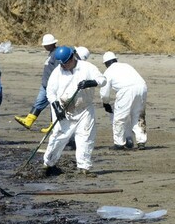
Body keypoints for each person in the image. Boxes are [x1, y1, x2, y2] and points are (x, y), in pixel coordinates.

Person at [43, 46, 106, 177]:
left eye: (66, 63)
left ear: (72, 57)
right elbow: (50, 92)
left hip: (84, 110)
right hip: (63, 109)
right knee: (59, 137)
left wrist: (90, 83)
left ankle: (84, 168)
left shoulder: (87, 67)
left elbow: (102, 80)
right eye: (62, 64)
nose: (64, 66)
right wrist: (56, 108)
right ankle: (48, 165)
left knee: (85, 137)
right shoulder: (57, 72)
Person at [100, 51, 148, 150]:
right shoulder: (126, 65)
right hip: (142, 87)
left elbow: (104, 92)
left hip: (126, 90)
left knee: (119, 118)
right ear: (115, 59)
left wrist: (105, 103)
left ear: (105, 63)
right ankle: (141, 142)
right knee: (138, 116)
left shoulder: (108, 71)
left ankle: (119, 143)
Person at [14, 33, 59, 131]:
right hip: (45, 84)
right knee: (39, 102)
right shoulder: (51, 53)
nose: (45, 47)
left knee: (53, 105)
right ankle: (29, 120)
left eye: (46, 45)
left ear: (52, 44)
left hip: (52, 86)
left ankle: (53, 125)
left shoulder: (57, 54)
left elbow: (59, 70)